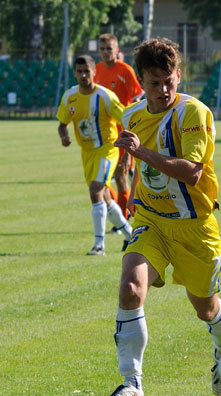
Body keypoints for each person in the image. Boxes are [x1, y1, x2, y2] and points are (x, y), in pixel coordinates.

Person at [101, 38, 221, 396]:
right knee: (130, 290)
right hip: (152, 221)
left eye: (169, 80)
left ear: (179, 74)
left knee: (205, 308)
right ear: (142, 81)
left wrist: (140, 151)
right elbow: (133, 166)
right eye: (154, 82)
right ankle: (132, 387)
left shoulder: (194, 113)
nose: (163, 90)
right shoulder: (131, 116)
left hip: (196, 227)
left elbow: (192, 173)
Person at [57, 55, 133, 255]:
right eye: (79, 71)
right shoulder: (69, 96)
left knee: (95, 190)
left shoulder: (105, 96)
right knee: (105, 197)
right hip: (87, 152)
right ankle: (130, 234)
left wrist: (127, 154)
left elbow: (126, 120)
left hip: (107, 148)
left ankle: (99, 245)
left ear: (94, 72)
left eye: (87, 71)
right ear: (75, 73)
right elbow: (62, 124)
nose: (83, 75)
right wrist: (64, 137)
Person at [96, 33, 144, 223]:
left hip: (122, 133)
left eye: (109, 48)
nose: (106, 52)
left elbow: (136, 101)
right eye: (102, 49)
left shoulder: (125, 70)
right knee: (101, 180)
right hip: (102, 134)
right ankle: (119, 217)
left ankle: (124, 220)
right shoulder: (97, 70)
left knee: (121, 176)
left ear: (117, 50)